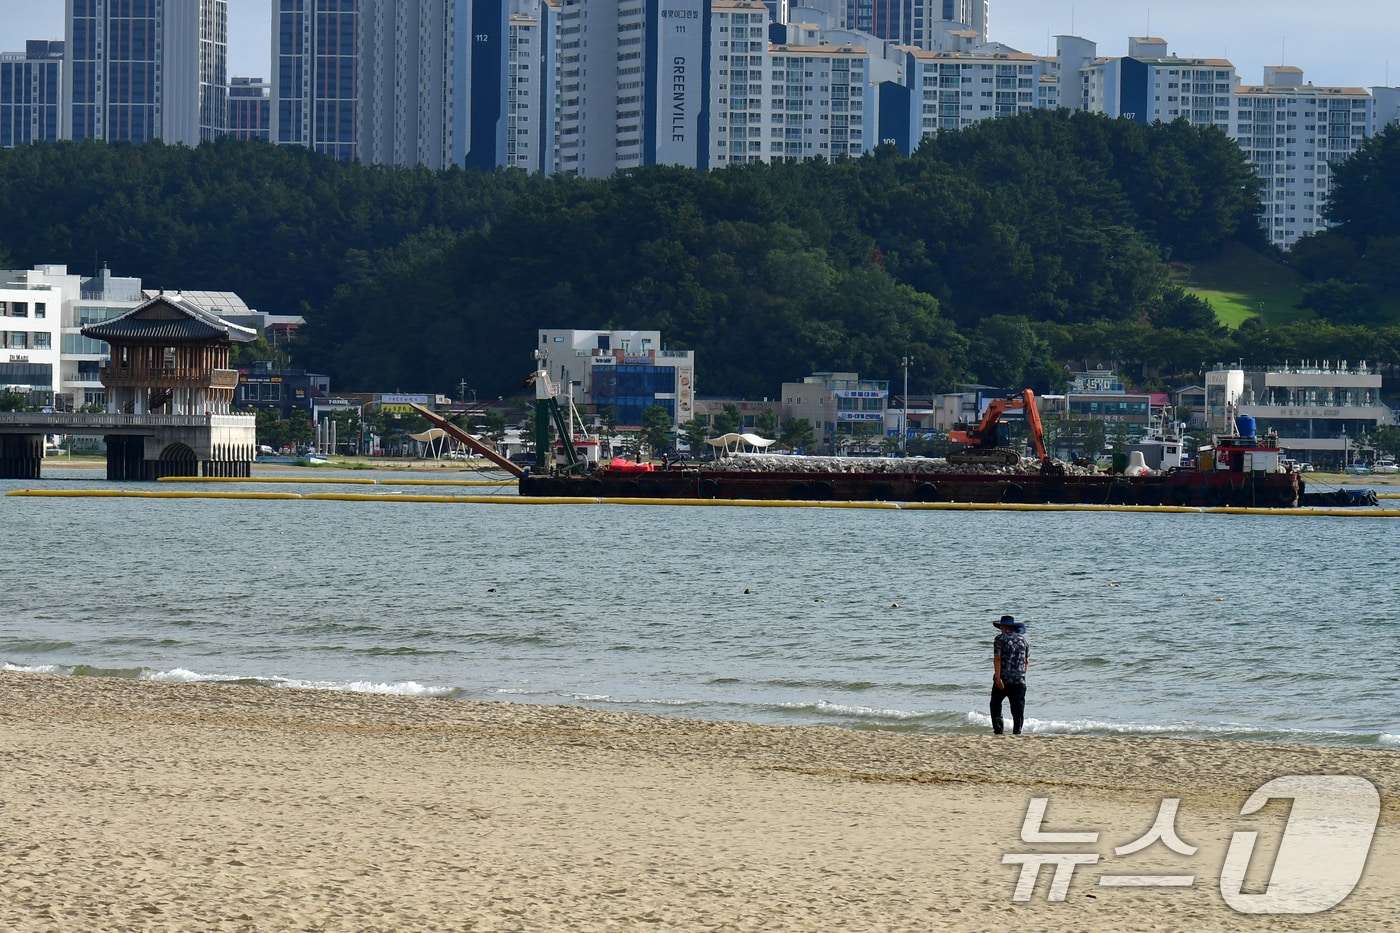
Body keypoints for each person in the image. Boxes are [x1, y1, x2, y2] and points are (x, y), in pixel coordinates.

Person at [990, 614, 1029, 735]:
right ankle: (1017, 731)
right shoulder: (1024, 641)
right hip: (1019, 680)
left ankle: (998, 730)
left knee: (995, 704)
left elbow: (997, 659)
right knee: (1018, 708)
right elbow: (1027, 662)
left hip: (1004, 678)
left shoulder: (999, 639)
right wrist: (1021, 674)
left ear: (1003, 627)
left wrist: (997, 677)